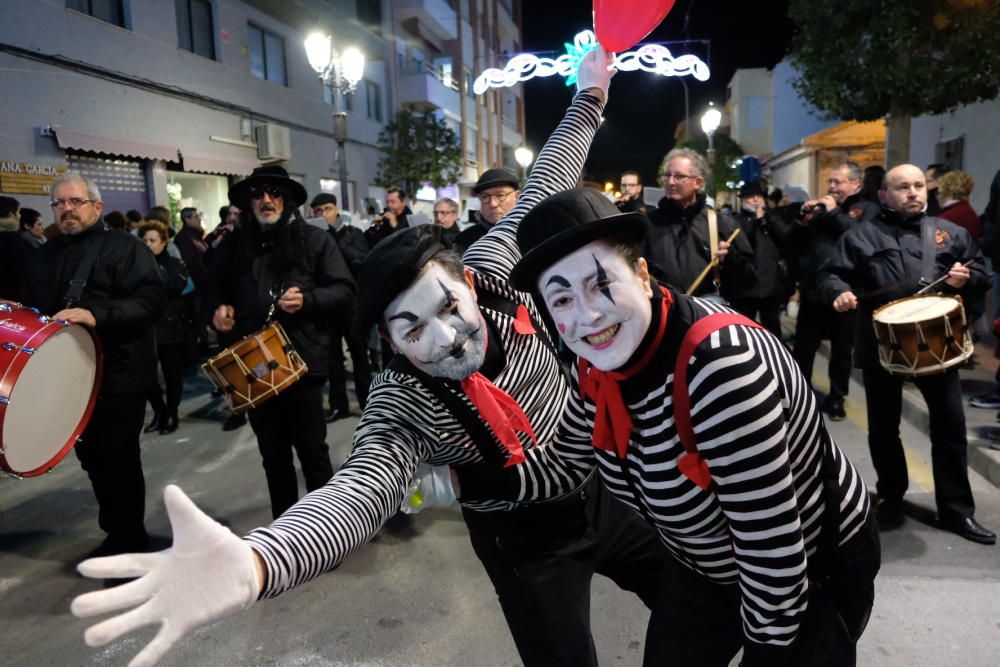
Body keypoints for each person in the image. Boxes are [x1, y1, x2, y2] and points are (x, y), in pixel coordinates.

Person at [71, 48, 668, 667]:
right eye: (410, 330)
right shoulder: (399, 399)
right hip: (525, 541)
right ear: (387, 338)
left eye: (445, 307)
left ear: (466, 280)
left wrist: (592, 96)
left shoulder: (496, 266)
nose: (441, 338)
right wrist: (255, 563)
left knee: (701, 601)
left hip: (606, 491)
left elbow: (548, 176)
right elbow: (358, 492)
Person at [457, 185, 878, 666]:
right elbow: (567, 460)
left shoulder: (718, 371)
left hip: (808, 564)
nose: (587, 315)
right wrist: (469, 477)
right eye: (562, 300)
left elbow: (773, 560)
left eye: (600, 284)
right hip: (702, 562)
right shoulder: (592, 366)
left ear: (641, 273)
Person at [819, 163, 995, 545]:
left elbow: (983, 274)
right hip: (881, 343)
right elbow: (831, 274)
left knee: (950, 430)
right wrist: (838, 292)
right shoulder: (861, 236)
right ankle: (893, 498)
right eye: (903, 187)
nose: (914, 192)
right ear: (884, 194)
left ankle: (956, 511)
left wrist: (969, 279)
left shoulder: (951, 234)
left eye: (919, 185)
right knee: (884, 429)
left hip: (937, 346)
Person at [22, 172, 166, 556]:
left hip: (120, 374)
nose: (66, 210)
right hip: (68, 379)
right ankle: (115, 528)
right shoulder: (44, 255)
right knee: (91, 457)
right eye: (59, 203)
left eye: (75, 202)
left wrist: (96, 314)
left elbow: (151, 301)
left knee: (118, 457)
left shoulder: (126, 249)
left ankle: (130, 540)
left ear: (97, 206)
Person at [206, 166, 355, 519]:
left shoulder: (316, 240)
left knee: (312, 452)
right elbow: (214, 287)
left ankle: (325, 530)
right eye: (258, 194)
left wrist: (308, 299)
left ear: (286, 200)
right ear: (249, 202)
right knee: (273, 456)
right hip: (254, 365)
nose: (267, 200)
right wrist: (218, 308)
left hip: (303, 362)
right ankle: (285, 533)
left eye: (274, 193)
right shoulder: (234, 246)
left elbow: (345, 290)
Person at [788, 161, 880, 421]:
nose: (832, 187)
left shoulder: (867, 209)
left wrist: (833, 213)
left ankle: (837, 397)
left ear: (856, 184)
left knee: (842, 349)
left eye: (838, 182)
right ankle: (799, 396)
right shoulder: (821, 210)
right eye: (830, 182)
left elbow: (861, 239)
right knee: (804, 348)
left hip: (847, 293)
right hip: (815, 290)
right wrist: (802, 221)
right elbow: (792, 242)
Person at [643, 147, 755, 301]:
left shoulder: (722, 223)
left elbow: (748, 278)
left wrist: (729, 259)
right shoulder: (648, 223)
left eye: (679, 176)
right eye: (667, 175)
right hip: (663, 313)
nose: (670, 182)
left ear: (698, 182)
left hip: (705, 314)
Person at [310, 191, 371, 419]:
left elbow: (362, 261)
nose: (323, 214)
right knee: (333, 360)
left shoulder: (351, 233)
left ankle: (367, 402)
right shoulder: (312, 238)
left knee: (360, 357)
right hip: (326, 306)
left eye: (327, 209)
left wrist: (335, 238)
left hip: (352, 306)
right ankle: (339, 405)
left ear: (336, 210)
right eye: (318, 211)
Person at [139, 221, 191, 435]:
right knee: (146, 376)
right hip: (144, 327)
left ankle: (171, 412)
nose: (148, 244)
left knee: (172, 374)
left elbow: (173, 288)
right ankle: (160, 411)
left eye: (153, 240)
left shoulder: (175, 264)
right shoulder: (136, 264)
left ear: (163, 242)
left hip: (169, 326)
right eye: (144, 240)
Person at [727, 179, 791, 336]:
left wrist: (768, 218)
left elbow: (786, 237)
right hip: (745, 285)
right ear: (742, 199)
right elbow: (741, 239)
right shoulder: (735, 220)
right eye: (750, 197)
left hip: (770, 284)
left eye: (759, 196)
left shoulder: (772, 218)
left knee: (772, 328)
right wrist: (755, 221)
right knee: (744, 329)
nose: (755, 200)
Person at [454, 168, 521, 254]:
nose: (493, 204)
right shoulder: (464, 241)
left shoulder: (535, 232)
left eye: (500, 195)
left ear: (517, 196)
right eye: (485, 197)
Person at [936, 170, 981, 243]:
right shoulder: (971, 214)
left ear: (950, 194)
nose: (937, 197)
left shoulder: (945, 219)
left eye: (939, 193)